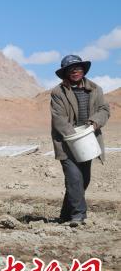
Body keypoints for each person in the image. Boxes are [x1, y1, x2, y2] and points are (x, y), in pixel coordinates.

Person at [50, 55, 109, 227]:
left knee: (84, 179)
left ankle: (65, 215)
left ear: (83, 70)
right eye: (71, 69)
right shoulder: (58, 92)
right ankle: (78, 216)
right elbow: (58, 118)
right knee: (74, 179)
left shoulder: (95, 89)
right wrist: (75, 135)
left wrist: (93, 123)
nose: (75, 72)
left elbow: (104, 109)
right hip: (67, 142)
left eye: (78, 68)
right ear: (65, 73)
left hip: (89, 140)